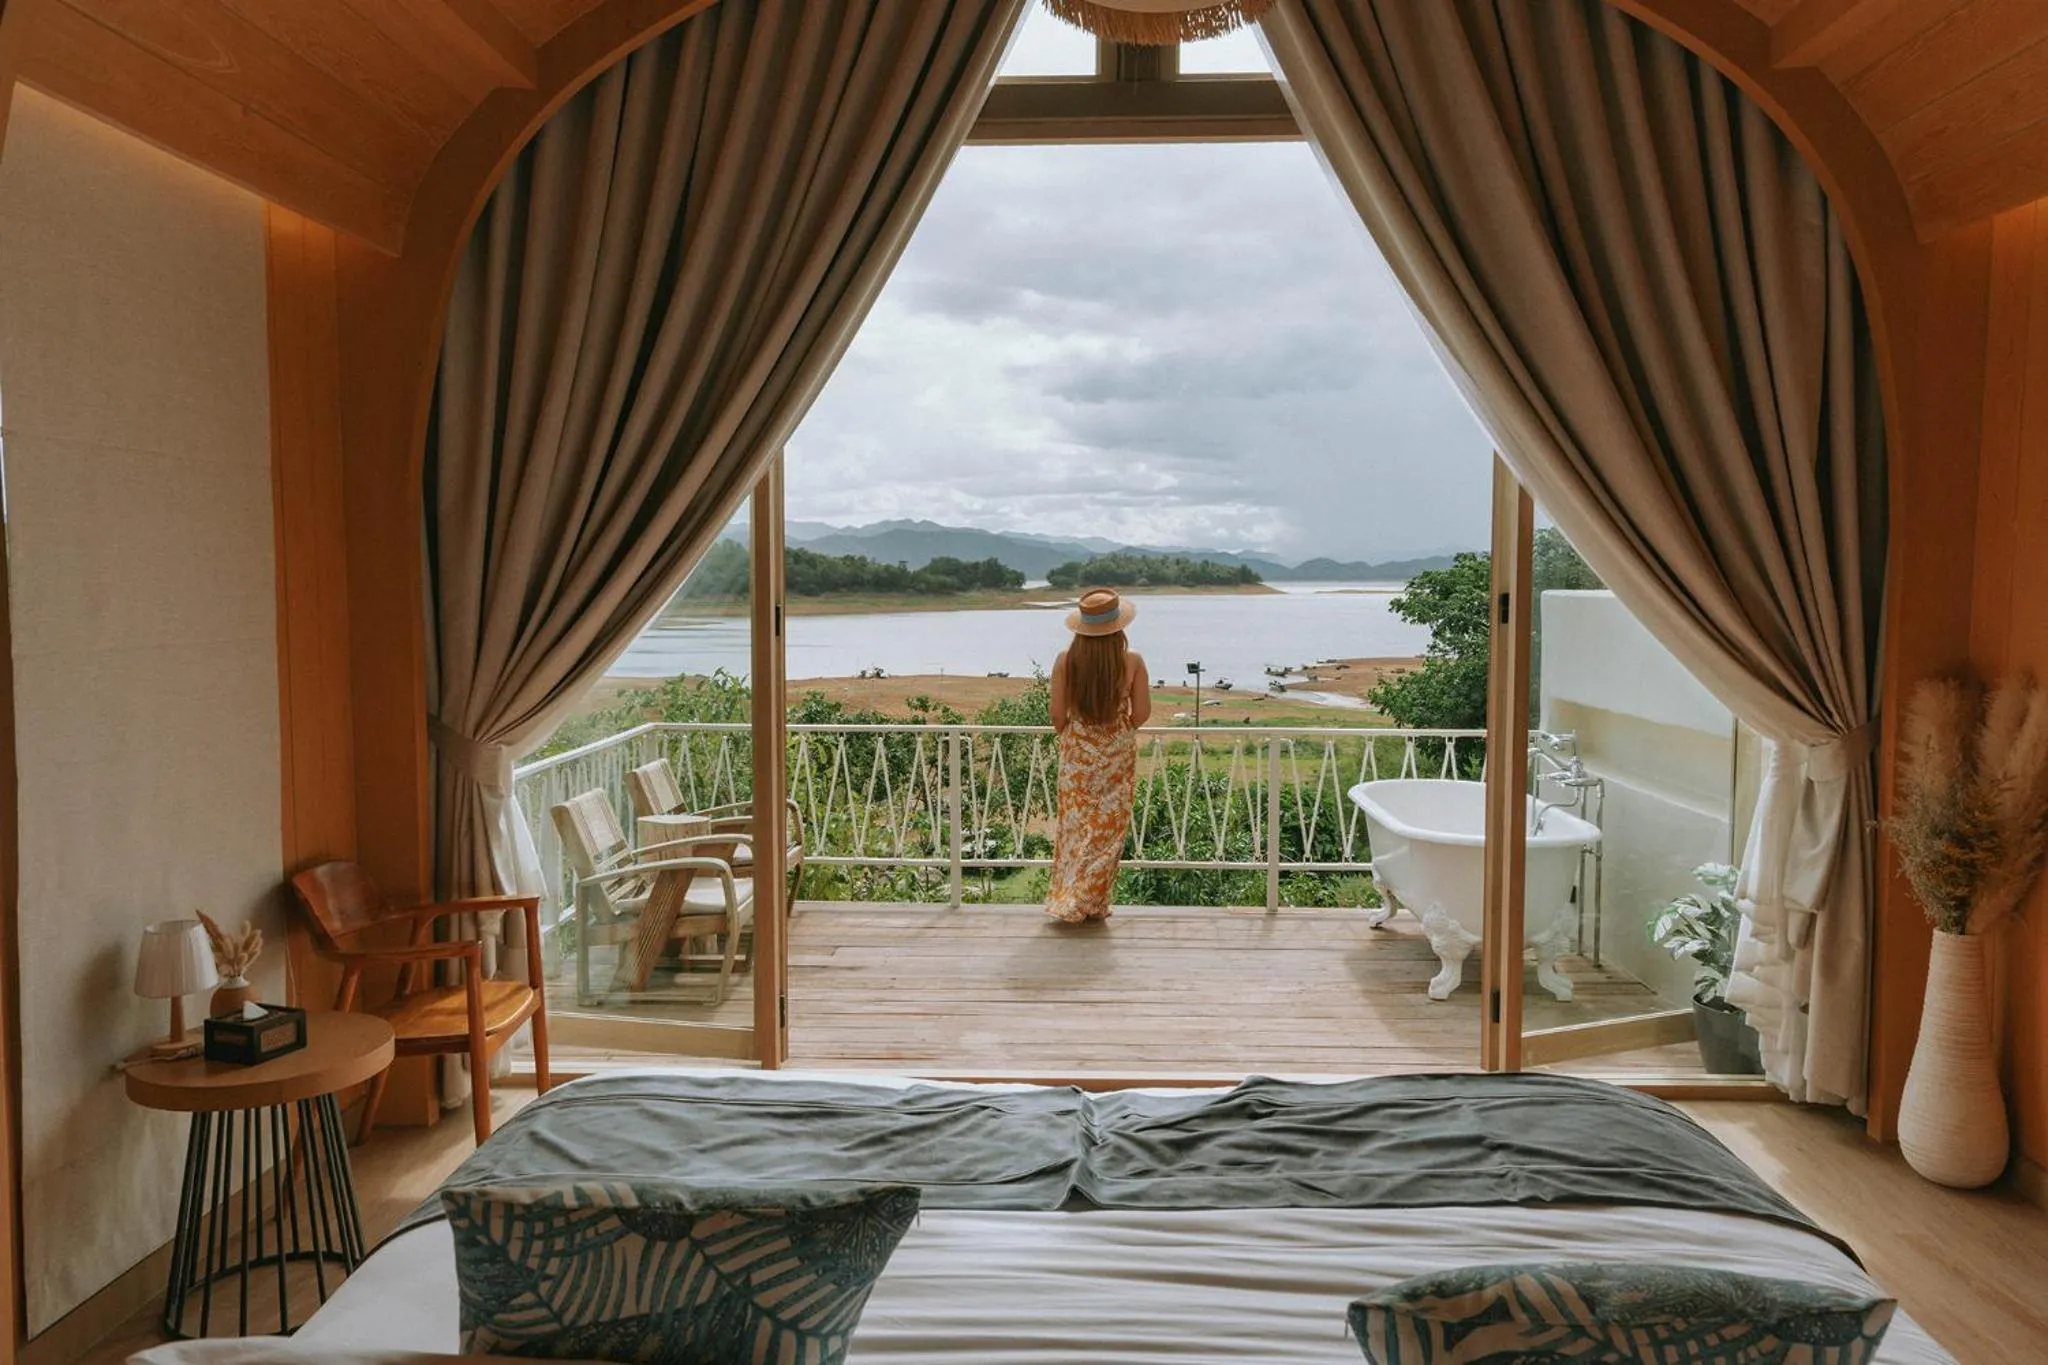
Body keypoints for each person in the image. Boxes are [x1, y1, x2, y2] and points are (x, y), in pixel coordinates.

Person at [1045, 587, 1150, 923]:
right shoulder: (1132, 661)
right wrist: (1119, 730)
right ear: (1119, 627)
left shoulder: (1065, 661)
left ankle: (1073, 897)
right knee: (1108, 830)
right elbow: (1142, 713)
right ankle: (1092, 902)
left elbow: (1057, 717)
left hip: (1077, 755)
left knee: (1076, 828)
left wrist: (1080, 737)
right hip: (1117, 754)